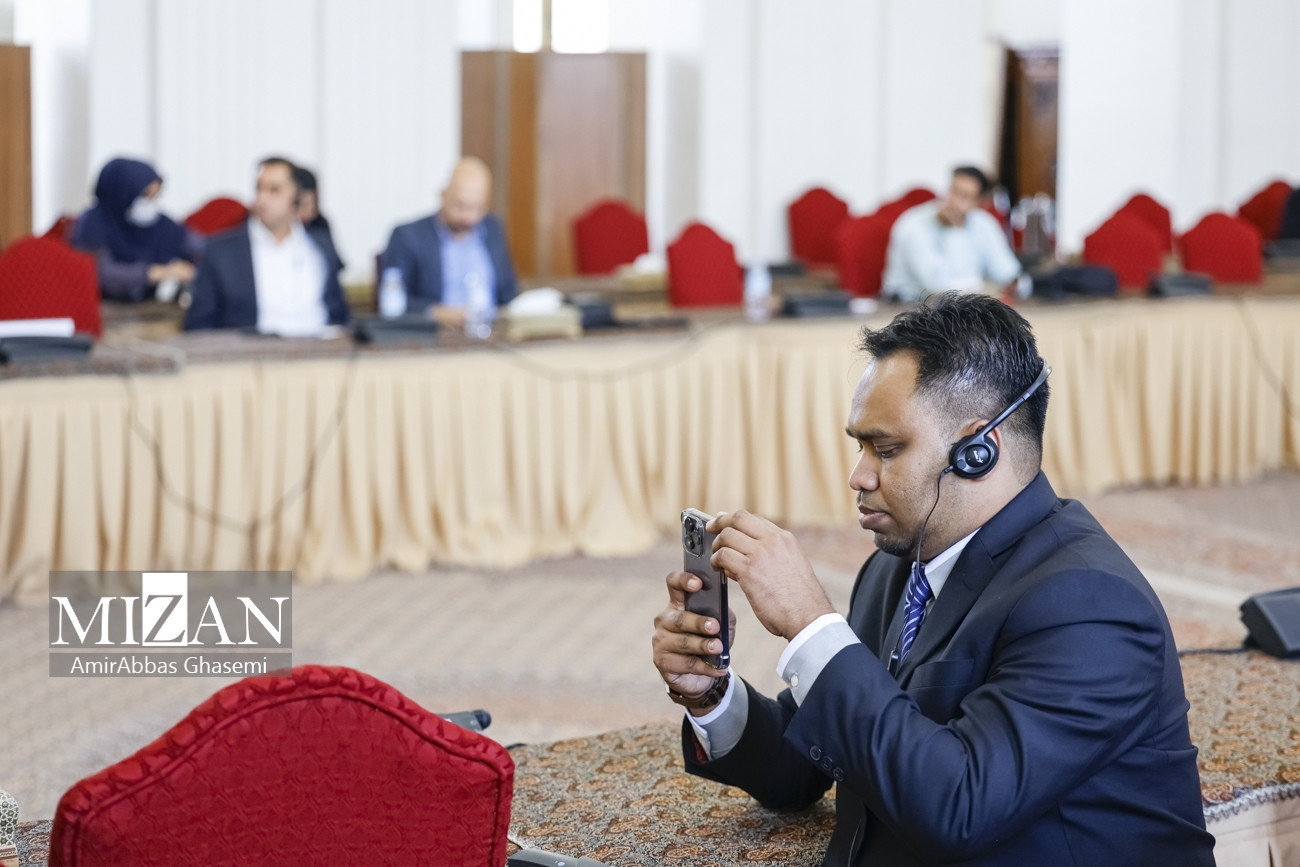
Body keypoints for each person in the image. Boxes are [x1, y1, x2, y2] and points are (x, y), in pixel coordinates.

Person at [651, 293, 1214, 866]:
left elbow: (960, 807)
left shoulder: (1089, 603)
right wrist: (710, 693)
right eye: (860, 447)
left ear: (977, 451)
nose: (858, 475)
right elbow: (803, 766)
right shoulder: (896, 568)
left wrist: (810, 624)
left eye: (886, 449)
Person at [183, 157, 349, 334]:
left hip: (320, 347)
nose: (262, 198)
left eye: (274, 190)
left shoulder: (320, 245)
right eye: (259, 188)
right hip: (252, 349)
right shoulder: (221, 252)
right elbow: (199, 327)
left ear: (298, 196)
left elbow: (338, 314)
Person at [381, 157, 517, 327]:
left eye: (477, 208)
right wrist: (435, 312)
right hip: (437, 334)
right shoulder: (408, 236)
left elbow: (509, 292)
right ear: (443, 195)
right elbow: (394, 302)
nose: (467, 216)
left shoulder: (493, 229)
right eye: (459, 206)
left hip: (491, 330)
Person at [71, 158, 202, 302]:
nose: (149, 204)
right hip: (103, 306)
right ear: (123, 192)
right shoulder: (92, 223)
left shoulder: (163, 224)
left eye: (155, 197)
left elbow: (200, 249)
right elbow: (103, 275)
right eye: (145, 196)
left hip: (148, 306)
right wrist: (157, 272)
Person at [882, 167, 1021, 302]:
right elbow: (936, 288)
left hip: (962, 307)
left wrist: (1012, 283)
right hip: (906, 307)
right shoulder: (914, 225)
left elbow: (1009, 275)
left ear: (979, 203)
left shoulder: (983, 224)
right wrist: (987, 288)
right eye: (953, 191)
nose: (953, 201)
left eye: (965, 196)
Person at [291, 165, 345, 269]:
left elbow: (336, 264)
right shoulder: (287, 228)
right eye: (305, 204)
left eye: (314, 204)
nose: (310, 210)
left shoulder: (320, 224)